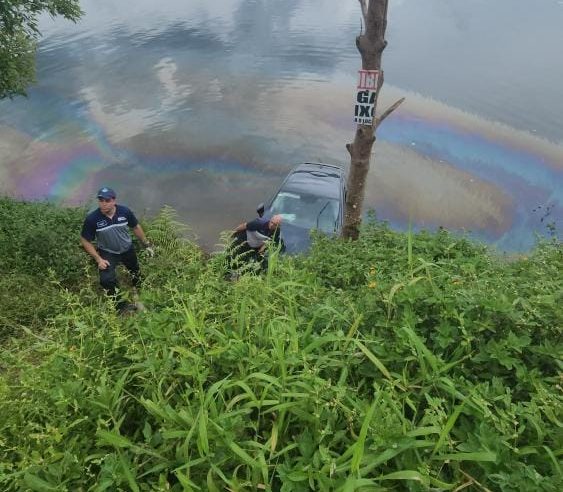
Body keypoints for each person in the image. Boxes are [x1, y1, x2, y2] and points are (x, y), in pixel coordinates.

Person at [80, 187, 154, 312]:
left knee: (135, 271)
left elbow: (135, 227)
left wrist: (146, 244)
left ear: (114, 200)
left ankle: (138, 291)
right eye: (101, 200)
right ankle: (121, 307)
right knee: (106, 280)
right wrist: (98, 259)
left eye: (107, 200)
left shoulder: (124, 212)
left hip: (127, 249)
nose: (103, 203)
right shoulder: (92, 219)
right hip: (108, 252)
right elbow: (85, 240)